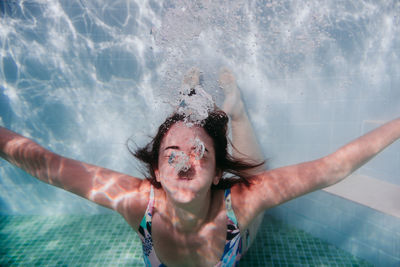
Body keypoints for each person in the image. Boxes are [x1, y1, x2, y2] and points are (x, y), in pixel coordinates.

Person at [0, 68, 399, 267]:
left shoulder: (242, 201)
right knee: (186, 128)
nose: (186, 162)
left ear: (217, 173)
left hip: (245, 233)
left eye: (201, 154)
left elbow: (334, 167)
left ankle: (234, 107)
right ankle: (189, 95)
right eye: (171, 155)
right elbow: (44, 163)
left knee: (243, 143)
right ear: (155, 172)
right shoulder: (137, 202)